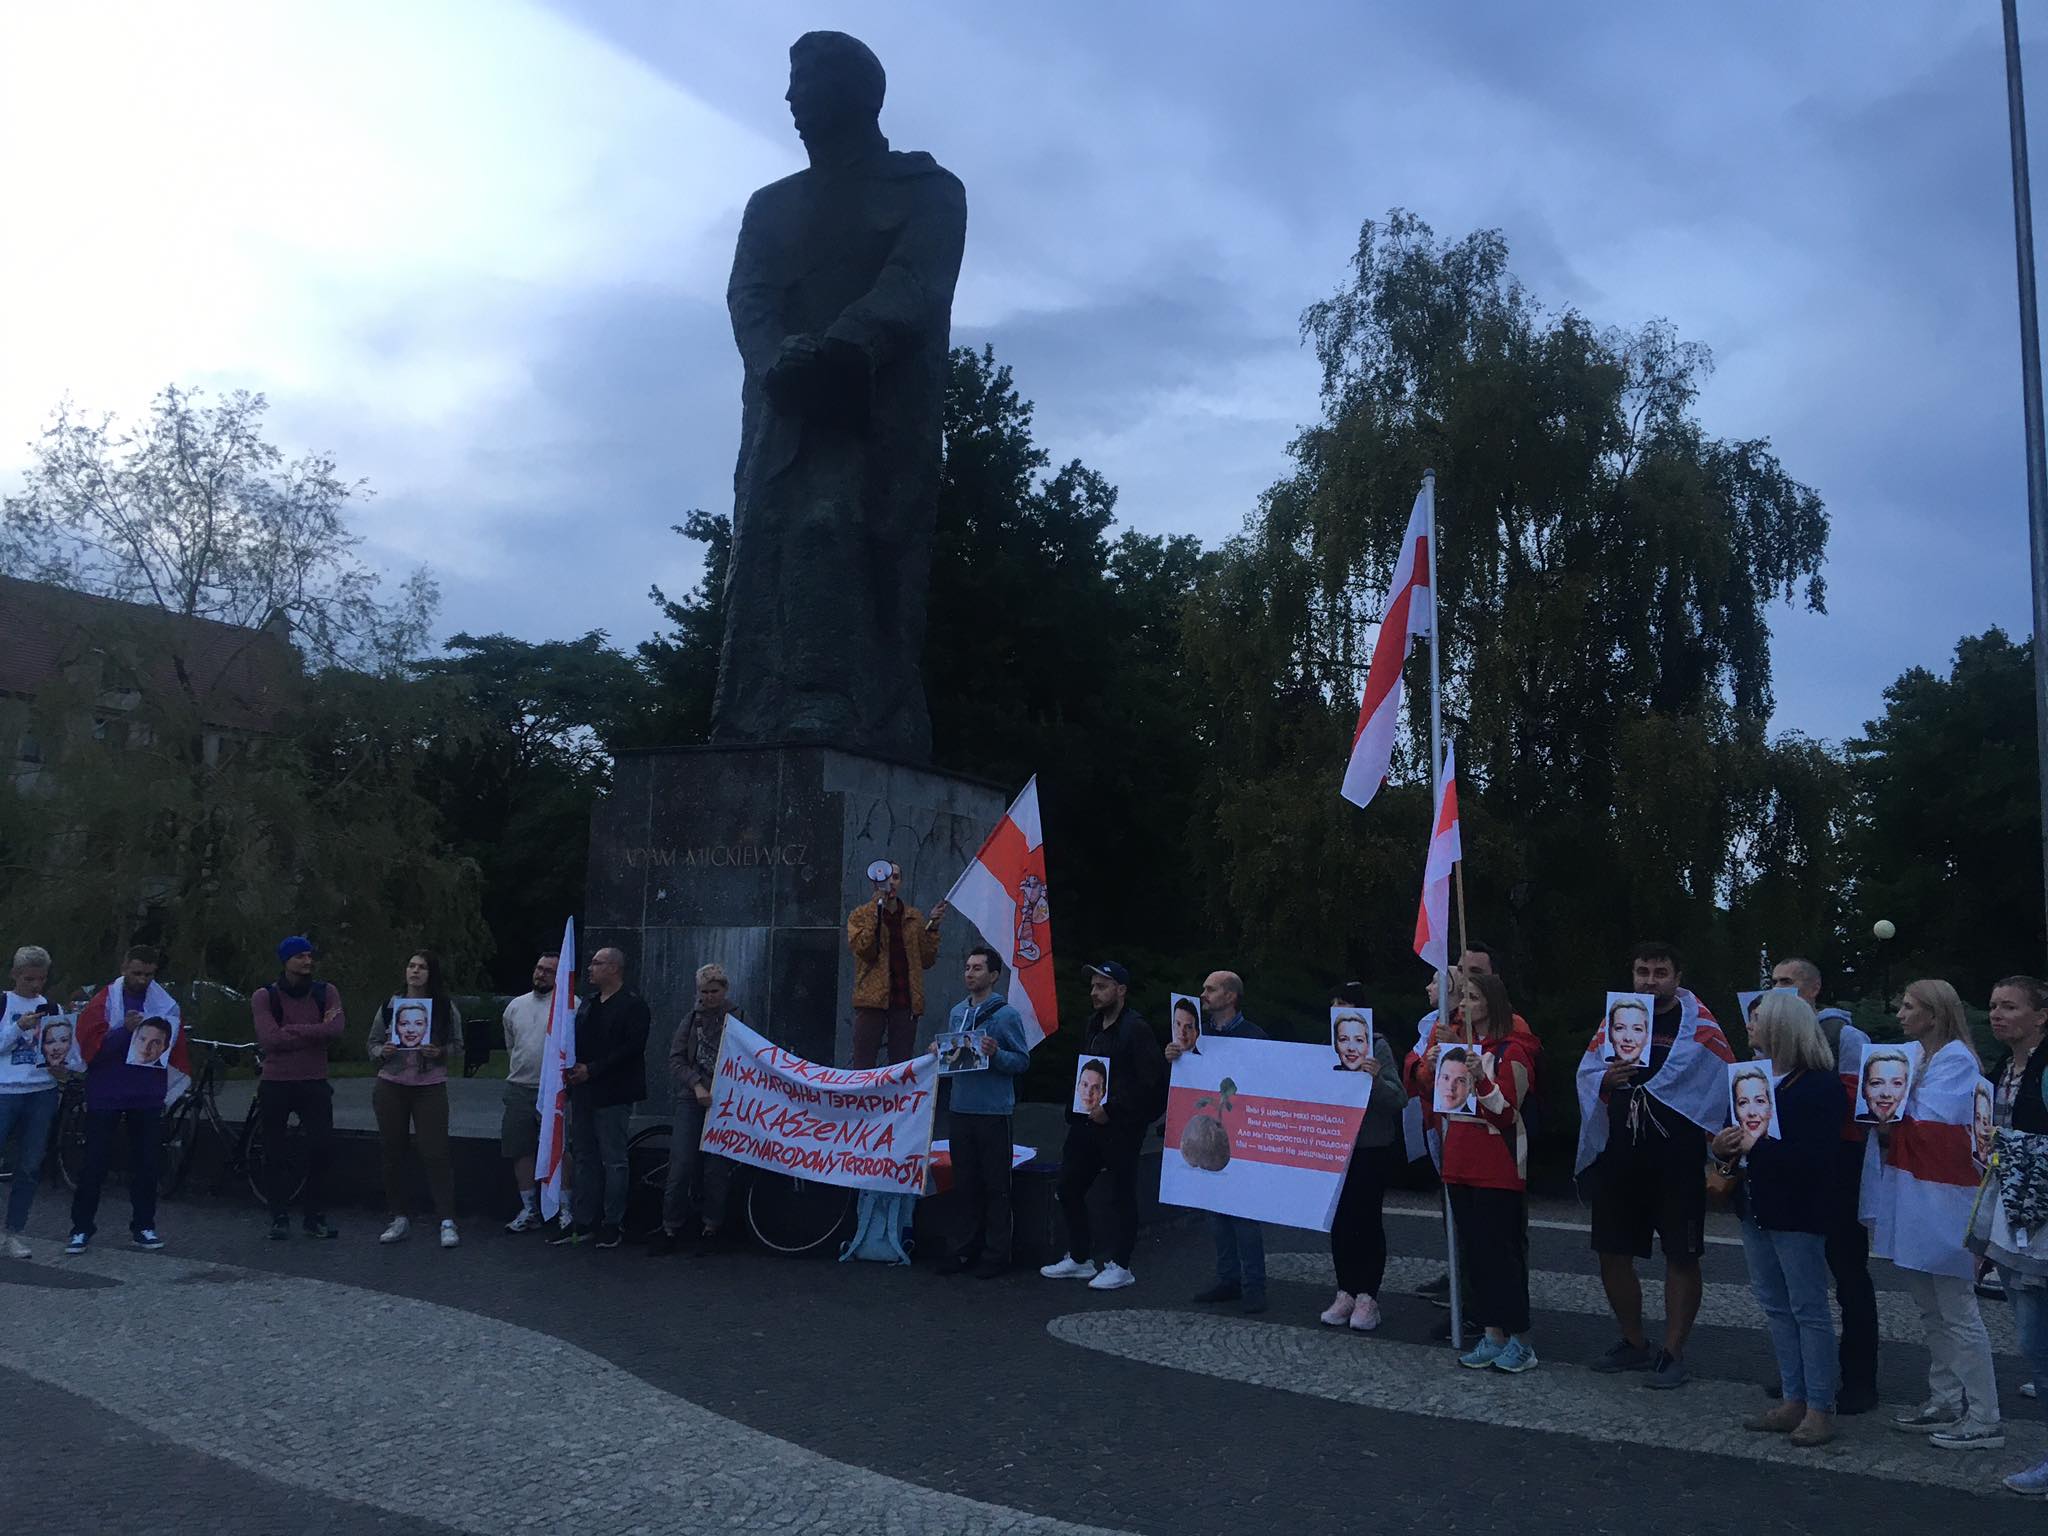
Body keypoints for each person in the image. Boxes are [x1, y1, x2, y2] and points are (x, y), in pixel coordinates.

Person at [1575, 941, 1734, 1389]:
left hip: (1676, 1156)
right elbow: (1586, 1072)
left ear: (1677, 976)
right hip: (1621, 1153)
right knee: (1611, 1250)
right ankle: (1634, 1342)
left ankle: (1672, 1351)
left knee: (1681, 1255)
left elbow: (1722, 1077)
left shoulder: (1699, 1024)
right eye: (1642, 971)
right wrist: (1604, 1079)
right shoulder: (1617, 1018)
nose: (1650, 980)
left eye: (1660, 971)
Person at [1868, 979, 2003, 1450]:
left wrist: (1884, 1105)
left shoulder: (1957, 1061)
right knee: (1931, 1309)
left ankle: (1985, 1416)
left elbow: (1929, 1120)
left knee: (1958, 1311)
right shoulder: (1916, 1055)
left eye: (1909, 1007)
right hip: (1914, 1192)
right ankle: (1944, 1398)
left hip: (1946, 1200)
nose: (1901, 1014)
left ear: (1934, 1014)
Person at [1714, 991, 1846, 1448]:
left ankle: (1820, 1406)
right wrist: (1725, 1149)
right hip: (1757, 1205)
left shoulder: (1819, 1086)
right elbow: (1743, 1144)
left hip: (1799, 1210)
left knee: (1808, 1309)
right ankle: (1793, 1397)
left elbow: (1818, 1157)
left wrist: (1755, 1148)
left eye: (1759, 1019)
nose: (1750, 1026)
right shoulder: (1754, 1079)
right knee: (1775, 1305)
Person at [1767, 955, 1879, 1415]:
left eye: (1788, 981)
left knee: (1848, 1274)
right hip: (1791, 1172)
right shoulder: (1769, 1034)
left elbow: (1863, 1106)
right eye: (1773, 981)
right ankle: (1807, 1379)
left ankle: (1859, 1379)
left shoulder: (1846, 1038)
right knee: (1795, 1283)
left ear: (1813, 989)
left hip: (1839, 1169)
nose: (1779, 988)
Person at [1965, 974, 2048, 1492]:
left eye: (2010, 1007)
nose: (1997, 1014)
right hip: (2014, 1220)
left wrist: (2010, 1145)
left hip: (2039, 1223)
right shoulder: (2004, 1069)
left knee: (2035, 1337)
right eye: (1993, 1005)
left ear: (2041, 1016)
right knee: (2031, 1335)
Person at [1041, 962, 1163, 1292]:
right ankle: (1080, 1257)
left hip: (1120, 1126)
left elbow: (1150, 1083)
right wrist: (1078, 1107)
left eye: (1102, 986)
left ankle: (1121, 1264)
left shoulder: (1136, 1029)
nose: (1094, 993)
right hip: (1086, 1120)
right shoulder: (1093, 1025)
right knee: (1068, 1186)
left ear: (1121, 990)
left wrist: (1113, 1110)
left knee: (1121, 1194)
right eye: (1093, 986)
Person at [1444, 971, 1542, 1373]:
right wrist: (1432, 1067)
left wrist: (1482, 1079)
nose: (1463, 1005)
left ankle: (1521, 1339)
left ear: (1492, 1004)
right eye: (1462, 998)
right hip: (1459, 1162)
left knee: (1502, 1257)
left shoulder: (1513, 1052)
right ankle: (1492, 1333)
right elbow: (1437, 1099)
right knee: (1476, 1257)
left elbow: (1506, 1113)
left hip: (1498, 1166)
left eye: (1472, 998)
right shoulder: (1455, 1047)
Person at [66, 946, 188, 1255]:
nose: (142, 979)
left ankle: (144, 1226)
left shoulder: (166, 1004)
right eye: (136, 973)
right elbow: (89, 1049)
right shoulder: (104, 1001)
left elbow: (172, 1048)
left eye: (148, 974)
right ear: (124, 968)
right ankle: (81, 1228)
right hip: (107, 1092)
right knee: (94, 1163)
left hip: (146, 1093)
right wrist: (124, 1032)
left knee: (147, 1164)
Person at [1175, 970, 1270, 1314]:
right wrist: (1178, 1057)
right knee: (1216, 1211)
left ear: (1231, 996)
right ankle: (1228, 1278)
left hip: (1242, 1135)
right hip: (1211, 1134)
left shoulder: (1255, 1037)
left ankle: (1254, 1285)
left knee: (1244, 1214)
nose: (1203, 994)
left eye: (1210, 989)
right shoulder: (1198, 1038)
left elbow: (1266, 1084)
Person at [936, 945, 1030, 1278]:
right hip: (961, 1108)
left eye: (977, 968)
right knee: (965, 1184)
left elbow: (1022, 1061)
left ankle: (996, 1253)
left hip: (993, 1111)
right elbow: (953, 1063)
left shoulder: (1006, 1016)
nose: (970, 973)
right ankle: (962, 1249)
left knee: (995, 1185)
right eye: (967, 967)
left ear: (993, 975)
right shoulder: (957, 1012)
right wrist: (939, 1053)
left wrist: (996, 1054)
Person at [550, 947, 649, 1250]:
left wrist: (592, 1070)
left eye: (597, 963)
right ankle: (583, 1219)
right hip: (584, 1091)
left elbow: (631, 1048)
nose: (590, 968)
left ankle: (612, 1222)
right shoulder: (589, 1005)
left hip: (613, 1092)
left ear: (614, 969)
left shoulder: (633, 1006)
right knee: (583, 1156)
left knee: (614, 1159)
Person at [1320, 982, 1404, 1332]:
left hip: (1370, 1146)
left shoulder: (1378, 1046)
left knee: (1366, 1220)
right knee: (1339, 1221)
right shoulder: (1328, 1047)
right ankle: (1346, 1290)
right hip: (1337, 1144)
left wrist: (1375, 1080)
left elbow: (1398, 1098)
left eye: (1344, 1006)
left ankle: (1368, 1295)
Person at [249, 936, 346, 1241]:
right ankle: (279, 1215)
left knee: (322, 1147)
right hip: (276, 1082)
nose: (307, 961)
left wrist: (294, 1030)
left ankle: (313, 1215)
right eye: (300, 956)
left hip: (313, 1080)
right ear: (286, 961)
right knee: (274, 1151)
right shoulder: (265, 997)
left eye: (309, 955)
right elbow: (270, 1040)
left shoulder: (326, 992)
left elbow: (336, 1029)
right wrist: (315, 1033)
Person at [368, 950, 465, 1250]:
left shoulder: (446, 1008)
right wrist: (379, 1053)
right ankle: (398, 1216)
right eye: (411, 966)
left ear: (430, 973)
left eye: (422, 967)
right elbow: (371, 1043)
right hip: (391, 1084)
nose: (415, 972)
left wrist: (441, 1052)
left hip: (429, 1085)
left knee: (435, 1151)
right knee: (392, 1150)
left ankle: (446, 1219)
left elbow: (459, 1046)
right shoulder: (390, 1005)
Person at [650, 964, 743, 1257]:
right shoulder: (690, 1020)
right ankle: (670, 1227)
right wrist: (695, 1084)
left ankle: (711, 1227)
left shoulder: (738, 1018)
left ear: (725, 990)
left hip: (724, 1100)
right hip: (692, 1098)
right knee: (680, 1164)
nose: (708, 997)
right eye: (704, 992)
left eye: (714, 991)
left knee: (717, 1168)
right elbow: (676, 1059)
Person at [845, 862, 944, 1068]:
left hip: (904, 1000)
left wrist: (933, 927)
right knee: (863, 1062)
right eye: (886, 878)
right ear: (875, 882)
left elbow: (926, 959)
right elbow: (864, 949)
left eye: (896, 877)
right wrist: (876, 911)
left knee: (901, 1064)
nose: (891, 882)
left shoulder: (913, 917)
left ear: (901, 882)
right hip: (871, 1001)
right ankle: (863, 1100)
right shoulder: (860, 915)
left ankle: (896, 1102)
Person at [0, 946, 60, 1259]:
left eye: (41, 979)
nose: (35, 985)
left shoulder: (51, 1007)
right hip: (4, 1090)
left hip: (41, 1090)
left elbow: (62, 1045)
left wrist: (62, 1063)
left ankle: (14, 1232)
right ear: (15, 975)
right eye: (28, 979)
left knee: (30, 1165)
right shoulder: (4, 1002)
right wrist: (16, 1028)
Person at [499, 952, 561, 1233]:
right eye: (539, 968)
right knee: (520, 1148)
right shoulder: (515, 1006)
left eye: (549, 970)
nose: (541, 974)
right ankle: (529, 1208)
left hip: (555, 1090)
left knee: (561, 1150)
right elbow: (512, 1046)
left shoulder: (570, 1006)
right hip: (520, 1087)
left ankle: (564, 1208)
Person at [1858, 1048, 1913, 1124]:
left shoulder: (1913, 1130)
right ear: (1863, 1089)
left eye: (1897, 1083)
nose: (1886, 1094)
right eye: (1876, 1083)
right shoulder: (1846, 1126)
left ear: (1905, 1090)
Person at [1732, 1065, 1775, 1140]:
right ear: (1735, 1111)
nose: (1752, 1113)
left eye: (1760, 1101)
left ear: (1770, 1107)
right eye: (1743, 1102)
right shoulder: (1727, 1150)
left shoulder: (1787, 1149)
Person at [1605, 999, 1651, 1067]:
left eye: (1637, 1029)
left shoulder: (1655, 1072)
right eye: (1620, 1028)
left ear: (1647, 1037)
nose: (1628, 1038)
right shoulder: (1595, 1069)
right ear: (1609, 1033)